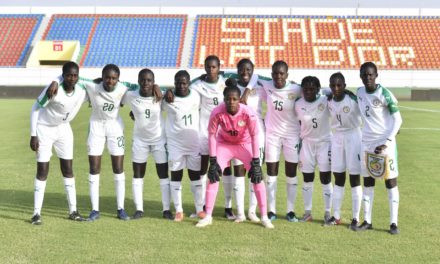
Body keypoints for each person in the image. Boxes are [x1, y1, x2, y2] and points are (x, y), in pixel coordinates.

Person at [48, 64, 135, 221]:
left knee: (118, 168)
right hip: (96, 127)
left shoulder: (124, 87)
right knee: (94, 168)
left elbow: (142, 86)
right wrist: (55, 80)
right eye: (107, 77)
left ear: (118, 79)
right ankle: (95, 209)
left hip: (115, 127)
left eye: (114, 78)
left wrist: (156, 86)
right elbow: (70, 77)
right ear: (102, 77)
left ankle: (121, 208)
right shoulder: (92, 85)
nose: (110, 81)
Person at [195, 78, 273, 229]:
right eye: (228, 99)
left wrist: (256, 161)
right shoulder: (217, 112)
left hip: (244, 145)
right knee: (214, 175)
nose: (231, 102)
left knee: (257, 176)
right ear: (223, 100)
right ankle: (208, 215)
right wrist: (213, 160)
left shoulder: (248, 113)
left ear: (239, 100)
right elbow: (211, 135)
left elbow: (255, 136)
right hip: (224, 145)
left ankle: (264, 216)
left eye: (234, 99)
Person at [29, 61, 87, 224]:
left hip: (63, 129)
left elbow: (98, 82)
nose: (72, 78)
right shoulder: (53, 89)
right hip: (44, 129)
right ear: (63, 76)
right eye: (68, 75)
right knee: (42, 170)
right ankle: (36, 214)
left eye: (75, 75)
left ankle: (73, 211)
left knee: (68, 168)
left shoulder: (81, 87)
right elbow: (35, 108)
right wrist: (33, 135)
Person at [355, 62, 402, 235]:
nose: (368, 77)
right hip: (366, 143)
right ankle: (367, 221)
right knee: (367, 181)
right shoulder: (359, 92)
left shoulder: (385, 94)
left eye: (370, 74)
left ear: (376, 75)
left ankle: (393, 223)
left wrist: (388, 140)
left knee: (390, 182)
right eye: (364, 75)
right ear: (360, 76)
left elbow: (398, 120)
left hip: (384, 144)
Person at [122, 68, 172, 220]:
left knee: (163, 175)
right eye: (143, 80)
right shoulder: (131, 95)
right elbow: (118, 86)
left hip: (159, 140)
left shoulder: (160, 95)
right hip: (140, 141)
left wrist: (167, 89)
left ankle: (166, 209)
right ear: (138, 81)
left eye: (149, 80)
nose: (146, 83)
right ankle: (139, 209)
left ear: (154, 82)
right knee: (138, 176)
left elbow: (176, 90)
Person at [260, 60, 302, 222]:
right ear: (271, 74)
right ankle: (271, 210)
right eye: (275, 73)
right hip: (272, 135)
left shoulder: (296, 89)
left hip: (292, 135)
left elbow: (317, 91)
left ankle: (290, 211)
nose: (278, 76)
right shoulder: (266, 84)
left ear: (287, 75)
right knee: (271, 173)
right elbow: (250, 76)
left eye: (281, 73)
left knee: (291, 173)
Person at [162, 70, 205, 222]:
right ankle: (179, 210)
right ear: (174, 83)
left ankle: (200, 209)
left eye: (184, 83)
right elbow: (152, 97)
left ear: (189, 83)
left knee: (195, 176)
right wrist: (165, 90)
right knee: (176, 176)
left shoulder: (195, 95)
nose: (181, 85)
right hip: (175, 145)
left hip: (194, 143)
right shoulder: (167, 99)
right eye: (178, 83)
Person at [294, 76, 333, 223]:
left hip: (324, 143)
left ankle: (328, 213)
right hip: (307, 145)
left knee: (325, 179)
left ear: (317, 89)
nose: (308, 91)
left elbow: (332, 90)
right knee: (307, 179)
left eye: (312, 89)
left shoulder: (325, 100)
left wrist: (323, 90)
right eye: (305, 89)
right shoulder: (298, 104)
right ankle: (308, 212)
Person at [326, 72, 362, 230]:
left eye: (339, 85)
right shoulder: (328, 99)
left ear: (345, 86)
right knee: (338, 177)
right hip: (337, 139)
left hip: (353, 137)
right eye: (333, 85)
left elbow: (368, 112)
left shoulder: (353, 99)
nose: (336, 88)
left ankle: (356, 218)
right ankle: (337, 215)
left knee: (354, 178)